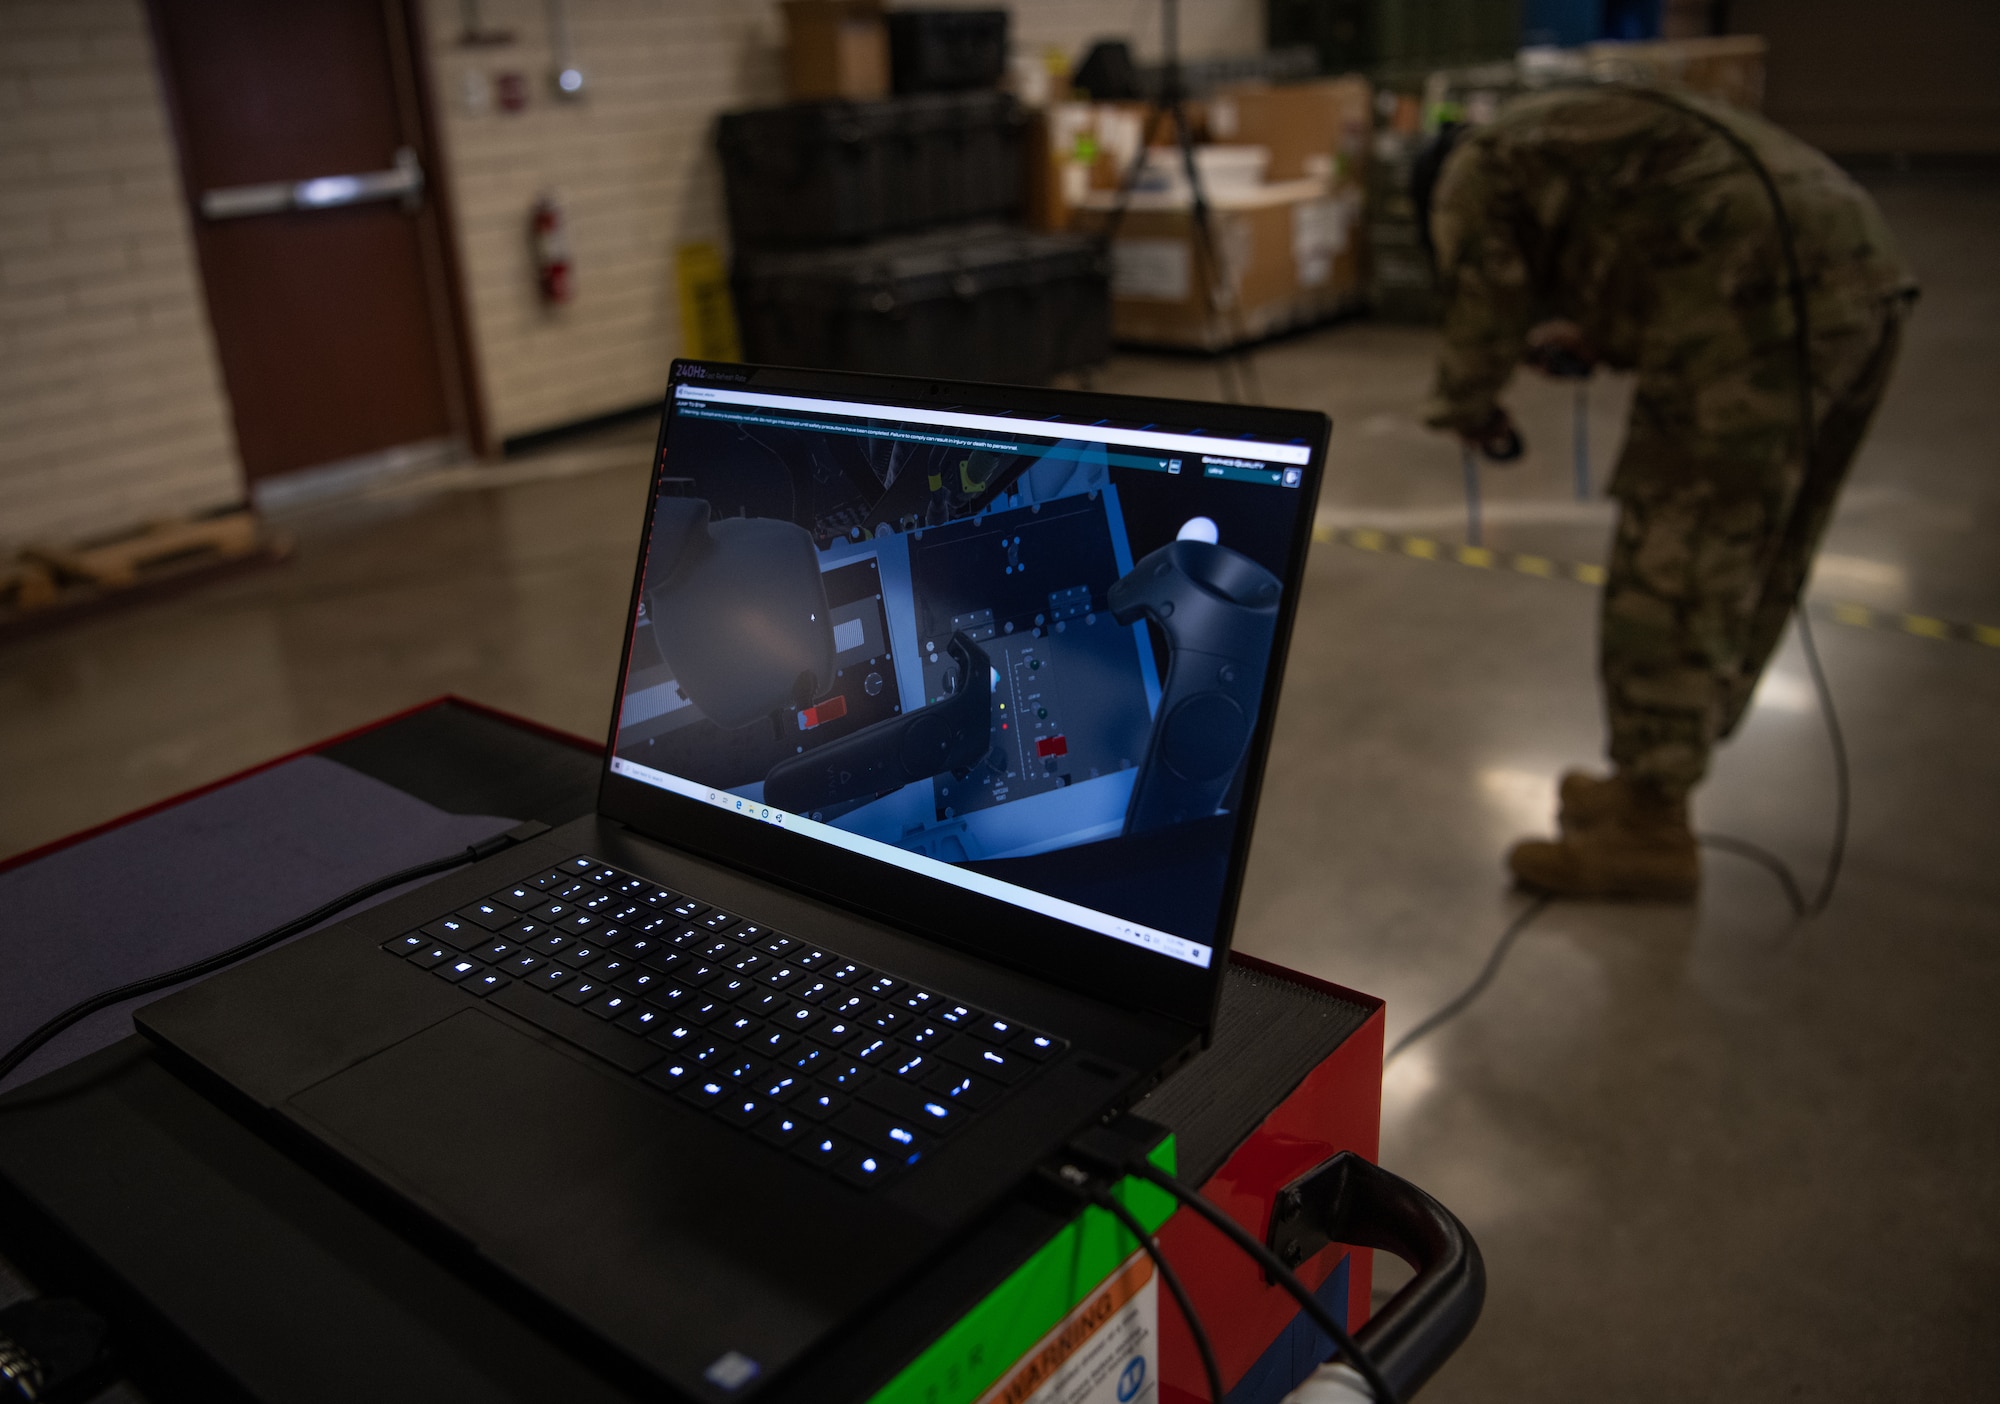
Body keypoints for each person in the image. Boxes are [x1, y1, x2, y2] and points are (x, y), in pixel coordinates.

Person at [1414, 84, 1918, 899]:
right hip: (1857, 274)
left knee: (1674, 559)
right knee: (1752, 546)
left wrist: (1467, 406)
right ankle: (1652, 782)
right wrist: (1600, 333)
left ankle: (1650, 830)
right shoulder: (1558, 126)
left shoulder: (1470, 168)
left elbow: (1484, 292)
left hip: (1752, 301)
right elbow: (1658, 229)